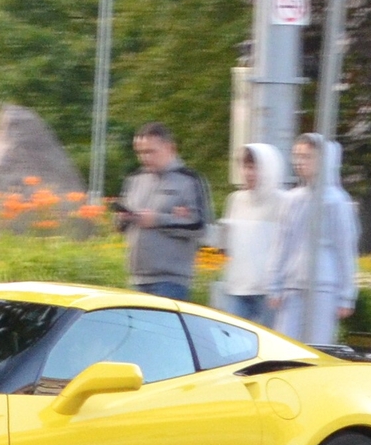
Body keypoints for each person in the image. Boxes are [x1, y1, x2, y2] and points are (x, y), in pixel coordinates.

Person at [265, 132, 359, 343]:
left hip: (324, 287)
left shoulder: (336, 201)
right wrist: (275, 284)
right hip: (293, 285)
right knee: (285, 345)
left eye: (307, 157)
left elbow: (345, 249)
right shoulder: (292, 200)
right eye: (297, 156)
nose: (300, 162)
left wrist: (346, 295)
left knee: (317, 346)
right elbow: (282, 244)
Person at [114, 122, 213, 302]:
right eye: (140, 153)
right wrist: (124, 218)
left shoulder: (189, 180)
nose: (144, 158)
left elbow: (200, 226)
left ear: (170, 148)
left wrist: (158, 220)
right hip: (137, 278)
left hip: (171, 281)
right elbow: (120, 227)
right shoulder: (135, 179)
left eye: (150, 152)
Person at [213, 142, 286, 325]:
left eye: (254, 168)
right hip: (237, 287)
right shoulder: (235, 200)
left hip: (268, 291)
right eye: (245, 167)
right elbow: (225, 244)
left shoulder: (282, 202)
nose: (248, 173)